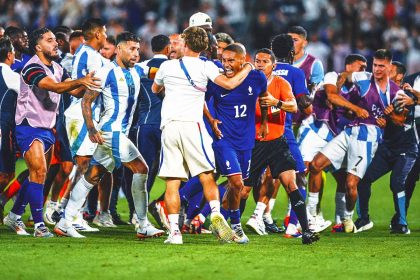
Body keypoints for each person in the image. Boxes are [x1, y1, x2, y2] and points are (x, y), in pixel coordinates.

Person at [54, 32, 164, 239]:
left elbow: (157, 71)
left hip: (117, 134)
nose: (135, 54)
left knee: (92, 175)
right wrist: (92, 129)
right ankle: (142, 224)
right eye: (131, 49)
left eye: (138, 50)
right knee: (141, 169)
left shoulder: (138, 70)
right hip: (110, 131)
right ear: (119, 49)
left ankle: (64, 220)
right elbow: (86, 101)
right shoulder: (105, 72)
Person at [151, 26, 254, 244]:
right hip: (193, 127)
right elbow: (229, 83)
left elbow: (154, 89)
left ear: (185, 43)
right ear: (205, 46)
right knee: (207, 174)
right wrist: (246, 68)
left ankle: (175, 234)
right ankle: (216, 214)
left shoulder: (167, 66)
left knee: (172, 182)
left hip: (168, 127)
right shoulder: (206, 66)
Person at [3, 27, 100, 237]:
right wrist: (80, 81)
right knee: (39, 173)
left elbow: (73, 90)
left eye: (55, 40)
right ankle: (39, 225)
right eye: (49, 40)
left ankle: (14, 215)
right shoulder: (31, 67)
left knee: (37, 174)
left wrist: (91, 82)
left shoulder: (56, 67)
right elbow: (54, 87)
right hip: (28, 126)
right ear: (38, 47)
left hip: (47, 127)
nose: (55, 43)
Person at [308, 49, 403, 233]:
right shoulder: (363, 77)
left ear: (389, 66)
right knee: (315, 165)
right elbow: (344, 75)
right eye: (375, 64)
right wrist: (337, 96)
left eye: (381, 66)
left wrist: (391, 117)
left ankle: (348, 218)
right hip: (349, 130)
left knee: (351, 184)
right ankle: (312, 215)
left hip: (368, 137)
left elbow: (400, 120)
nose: (376, 69)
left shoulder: (396, 92)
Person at [242, 48, 319, 244]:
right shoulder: (246, 83)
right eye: (257, 60)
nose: (260, 64)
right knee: (243, 190)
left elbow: (294, 106)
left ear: (273, 65)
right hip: (254, 144)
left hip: (278, 143)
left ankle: (306, 230)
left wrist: (276, 102)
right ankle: (234, 226)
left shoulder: (281, 83)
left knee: (291, 183)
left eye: (265, 61)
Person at [205, 44, 268, 244]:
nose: (226, 64)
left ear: (243, 59)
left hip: (246, 141)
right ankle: (236, 227)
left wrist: (264, 121)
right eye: (224, 60)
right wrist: (211, 118)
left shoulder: (257, 77)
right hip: (224, 139)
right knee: (237, 182)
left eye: (231, 60)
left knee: (237, 189)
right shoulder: (217, 81)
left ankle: (218, 222)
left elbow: (264, 98)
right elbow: (200, 100)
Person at [63, 18, 114, 229]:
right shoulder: (89, 56)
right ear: (98, 34)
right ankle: (67, 215)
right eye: (105, 32)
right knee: (82, 166)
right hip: (81, 115)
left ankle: (72, 214)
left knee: (87, 166)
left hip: (88, 115)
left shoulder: (91, 54)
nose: (106, 35)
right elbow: (81, 88)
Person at [0, 37, 20, 210]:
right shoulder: (10, 75)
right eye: (13, 52)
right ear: (8, 55)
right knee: (7, 173)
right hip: (3, 130)